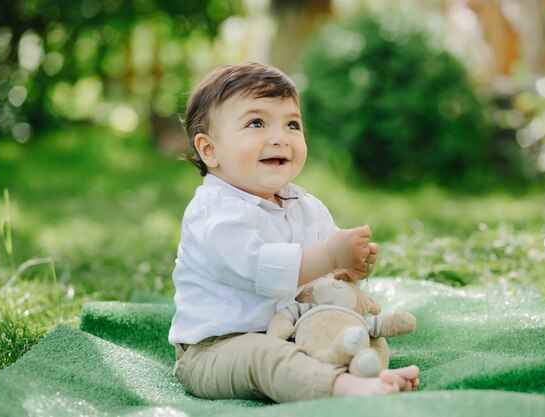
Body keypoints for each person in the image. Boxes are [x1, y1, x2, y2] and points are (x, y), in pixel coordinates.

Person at [169, 62, 419, 403]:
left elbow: (321, 278)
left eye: (292, 124)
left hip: (293, 331)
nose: (280, 137)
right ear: (209, 150)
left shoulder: (304, 204)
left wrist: (346, 269)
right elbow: (264, 270)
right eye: (256, 123)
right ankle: (341, 386)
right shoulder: (214, 213)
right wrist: (331, 253)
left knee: (352, 330)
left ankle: (366, 372)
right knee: (262, 357)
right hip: (218, 349)